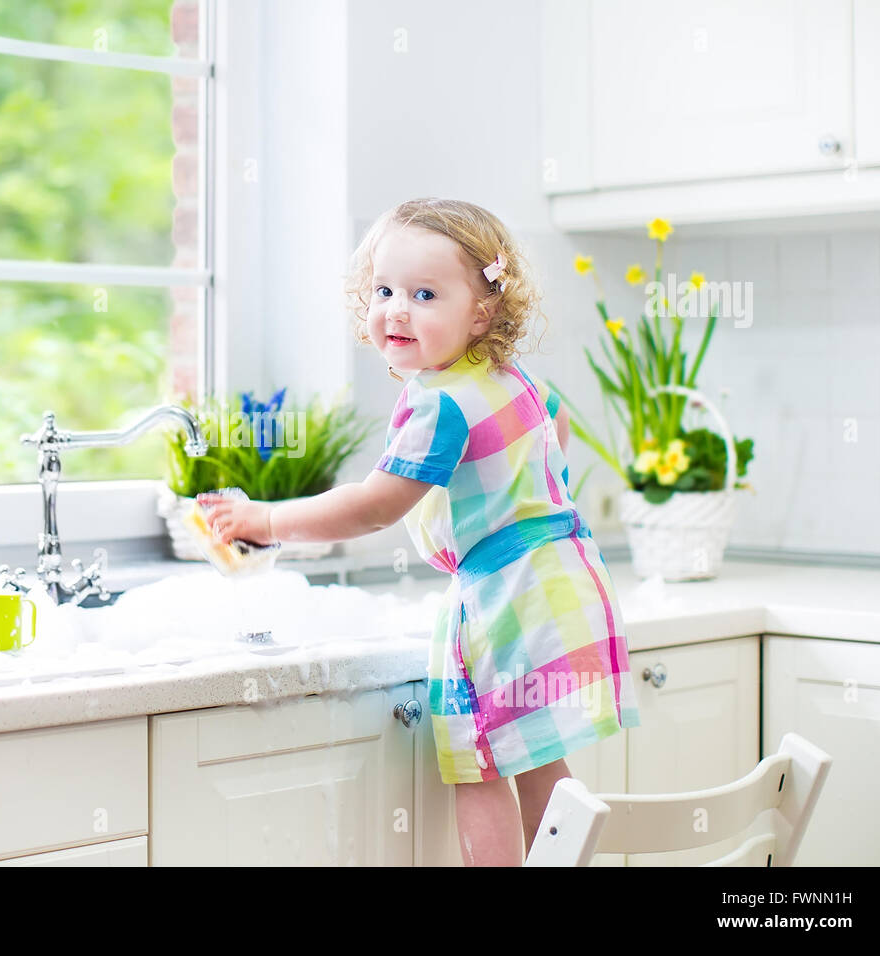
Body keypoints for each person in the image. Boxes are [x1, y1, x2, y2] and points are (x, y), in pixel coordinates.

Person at [198, 197, 640, 866]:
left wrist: (266, 519)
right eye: (384, 290)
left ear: (482, 311)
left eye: (424, 293)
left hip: (507, 599)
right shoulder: (509, 378)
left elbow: (374, 506)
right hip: (568, 585)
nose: (396, 309)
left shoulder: (440, 403)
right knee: (542, 761)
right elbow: (558, 427)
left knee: (482, 765)